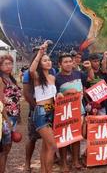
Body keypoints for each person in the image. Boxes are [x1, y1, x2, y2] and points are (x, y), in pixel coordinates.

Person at [55, 53, 88, 172]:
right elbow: (54, 96)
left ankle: (75, 161)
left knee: (77, 136)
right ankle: (63, 163)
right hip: (64, 112)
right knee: (64, 137)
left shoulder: (79, 74)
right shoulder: (56, 78)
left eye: (70, 61)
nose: (68, 64)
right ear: (60, 64)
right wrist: (66, 93)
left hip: (79, 110)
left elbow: (86, 85)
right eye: (65, 62)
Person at [29, 42, 57, 173]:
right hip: (41, 112)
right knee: (52, 146)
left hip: (51, 110)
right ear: (40, 63)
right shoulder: (37, 77)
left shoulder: (52, 77)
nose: (48, 62)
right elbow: (31, 70)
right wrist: (40, 52)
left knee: (46, 146)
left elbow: (52, 95)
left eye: (49, 60)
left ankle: (43, 170)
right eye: (45, 61)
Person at [0, 54, 22, 173]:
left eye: (10, 63)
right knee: (4, 149)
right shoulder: (1, 80)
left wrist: (18, 117)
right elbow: (0, 101)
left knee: (7, 148)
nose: (9, 66)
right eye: (5, 64)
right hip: (5, 118)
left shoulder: (11, 79)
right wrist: (6, 120)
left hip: (12, 116)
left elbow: (16, 100)